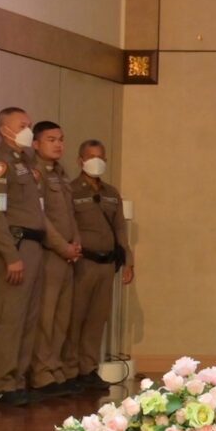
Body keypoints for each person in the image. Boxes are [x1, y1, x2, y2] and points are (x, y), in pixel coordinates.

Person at [0, 107, 70, 406]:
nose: (28, 130)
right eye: (22, 125)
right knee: (9, 318)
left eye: (29, 125)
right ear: (4, 130)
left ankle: (19, 380)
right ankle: (3, 383)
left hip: (34, 246)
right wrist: (10, 255)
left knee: (29, 318)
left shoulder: (28, 165)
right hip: (15, 245)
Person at [67, 139, 134, 391]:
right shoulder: (72, 190)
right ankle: (69, 370)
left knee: (97, 319)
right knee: (75, 317)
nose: (97, 161)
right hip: (82, 263)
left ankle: (88, 369)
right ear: (80, 160)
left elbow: (120, 229)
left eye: (101, 157)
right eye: (91, 156)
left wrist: (128, 261)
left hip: (107, 265)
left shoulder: (111, 193)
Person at [28, 121, 82, 398]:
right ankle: (41, 373)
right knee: (46, 318)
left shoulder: (61, 173)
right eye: (51, 139)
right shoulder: (34, 173)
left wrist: (76, 243)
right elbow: (41, 218)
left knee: (62, 317)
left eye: (60, 139)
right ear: (36, 144)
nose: (58, 144)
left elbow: (69, 215)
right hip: (50, 253)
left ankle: (56, 369)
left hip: (68, 254)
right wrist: (63, 246)